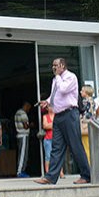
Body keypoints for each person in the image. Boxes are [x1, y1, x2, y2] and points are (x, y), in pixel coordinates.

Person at [35, 57, 91, 185]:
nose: (53, 67)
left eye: (56, 65)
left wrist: (58, 77)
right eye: (53, 65)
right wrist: (47, 101)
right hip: (58, 115)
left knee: (75, 145)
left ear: (62, 66)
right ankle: (50, 177)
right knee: (56, 147)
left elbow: (63, 89)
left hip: (70, 114)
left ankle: (86, 175)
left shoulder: (70, 77)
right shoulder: (56, 80)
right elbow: (55, 95)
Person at [14, 101, 32, 177]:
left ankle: (21, 170)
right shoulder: (23, 113)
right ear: (26, 106)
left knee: (21, 153)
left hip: (19, 135)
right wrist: (31, 125)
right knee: (23, 154)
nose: (29, 110)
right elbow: (25, 126)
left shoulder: (17, 113)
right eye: (29, 108)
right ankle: (20, 171)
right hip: (23, 135)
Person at [41, 105, 55, 175]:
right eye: (49, 106)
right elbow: (45, 126)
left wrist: (49, 125)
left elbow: (58, 125)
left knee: (57, 156)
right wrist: (53, 124)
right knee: (48, 156)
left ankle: (60, 172)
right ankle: (47, 172)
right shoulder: (45, 116)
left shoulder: (56, 116)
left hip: (56, 138)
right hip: (48, 139)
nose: (51, 107)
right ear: (47, 108)